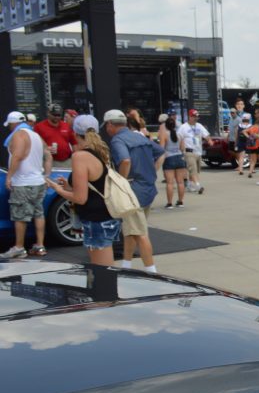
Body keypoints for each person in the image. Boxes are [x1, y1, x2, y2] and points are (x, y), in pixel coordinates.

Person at [46, 115, 121, 266]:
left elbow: (80, 198)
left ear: (74, 133)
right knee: (104, 271)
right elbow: (95, 184)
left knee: (102, 274)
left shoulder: (80, 156)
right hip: (105, 216)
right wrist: (67, 186)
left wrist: (57, 189)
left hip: (96, 220)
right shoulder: (101, 151)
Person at [106, 109, 165, 272]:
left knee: (139, 232)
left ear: (110, 124)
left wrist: (121, 182)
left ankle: (151, 271)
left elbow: (125, 160)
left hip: (132, 192)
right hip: (147, 189)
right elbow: (160, 152)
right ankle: (127, 265)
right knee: (131, 230)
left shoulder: (118, 141)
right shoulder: (139, 137)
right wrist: (152, 171)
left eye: (106, 125)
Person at [1, 111, 51, 258]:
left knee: (20, 216)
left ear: (13, 123)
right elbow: (48, 154)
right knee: (38, 213)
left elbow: (17, 155)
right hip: (38, 181)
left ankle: (19, 247)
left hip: (23, 182)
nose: (9, 128)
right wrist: (46, 176)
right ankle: (40, 246)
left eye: (10, 125)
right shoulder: (36, 135)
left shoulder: (19, 135)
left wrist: (9, 177)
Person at [33, 103, 76, 169]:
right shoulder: (39, 127)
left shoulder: (66, 126)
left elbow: (74, 143)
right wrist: (45, 149)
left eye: (59, 115)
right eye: (54, 115)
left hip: (66, 161)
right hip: (47, 161)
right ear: (48, 113)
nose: (57, 117)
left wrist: (75, 158)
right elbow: (33, 146)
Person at [160, 116, 188, 209]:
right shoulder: (179, 134)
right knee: (180, 182)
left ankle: (169, 203)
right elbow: (182, 148)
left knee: (170, 183)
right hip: (179, 158)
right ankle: (180, 202)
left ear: (166, 125)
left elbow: (161, 148)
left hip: (169, 158)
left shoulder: (164, 134)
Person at [177, 109, 208, 193]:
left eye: (197, 116)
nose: (196, 118)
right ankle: (198, 186)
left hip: (198, 151)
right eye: (194, 116)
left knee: (196, 170)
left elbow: (206, 134)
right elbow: (178, 138)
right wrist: (180, 149)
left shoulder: (199, 126)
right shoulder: (183, 127)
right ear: (190, 117)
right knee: (193, 169)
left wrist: (209, 140)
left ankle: (190, 185)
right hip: (188, 151)